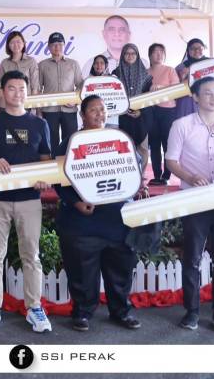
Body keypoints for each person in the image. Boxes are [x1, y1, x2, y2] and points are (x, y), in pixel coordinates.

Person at [55, 95, 143, 332]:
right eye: (93, 110)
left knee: (121, 271)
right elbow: (58, 181)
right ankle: (82, 313)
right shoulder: (70, 142)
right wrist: (75, 202)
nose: (99, 114)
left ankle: (121, 311)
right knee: (82, 273)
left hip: (117, 220)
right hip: (83, 222)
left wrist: (137, 185)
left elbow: (136, 167)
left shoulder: (119, 137)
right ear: (82, 115)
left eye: (102, 110)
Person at [0, 71, 53, 333]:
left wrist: (43, 179)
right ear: (2, 92)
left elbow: (46, 162)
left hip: (29, 199)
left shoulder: (40, 124)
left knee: (31, 256)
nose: (17, 93)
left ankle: (34, 307)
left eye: (22, 89)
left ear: (27, 93)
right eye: (11, 88)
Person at [165, 77, 214, 335]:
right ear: (195, 97)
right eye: (207, 93)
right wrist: (190, 177)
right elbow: (171, 161)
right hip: (195, 199)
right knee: (192, 259)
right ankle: (192, 312)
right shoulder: (181, 125)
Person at [37, 31, 84, 156]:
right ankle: (53, 165)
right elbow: (37, 89)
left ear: (64, 45)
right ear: (49, 47)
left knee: (70, 141)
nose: (57, 46)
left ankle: (68, 164)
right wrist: (39, 111)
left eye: (59, 44)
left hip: (69, 109)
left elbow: (81, 86)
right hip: (49, 110)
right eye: (53, 44)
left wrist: (75, 101)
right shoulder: (42, 65)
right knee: (50, 142)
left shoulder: (73, 64)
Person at [113, 43, 152, 168]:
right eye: (127, 53)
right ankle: (126, 174)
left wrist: (141, 111)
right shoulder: (115, 73)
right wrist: (122, 109)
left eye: (133, 53)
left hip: (141, 116)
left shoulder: (145, 75)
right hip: (122, 116)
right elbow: (112, 95)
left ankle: (141, 175)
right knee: (123, 147)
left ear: (137, 55)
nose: (130, 56)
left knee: (142, 148)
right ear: (123, 55)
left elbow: (148, 97)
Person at [147, 43, 180, 186]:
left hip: (168, 110)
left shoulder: (170, 70)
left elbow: (176, 89)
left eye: (161, 52)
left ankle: (167, 175)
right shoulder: (146, 72)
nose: (158, 54)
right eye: (155, 52)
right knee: (154, 144)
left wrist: (161, 88)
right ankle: (156, 175)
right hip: (151, 111)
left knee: (167, 143)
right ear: (150, 56)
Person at [174, 38, 207, 119]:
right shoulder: (181, 67)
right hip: (186, 102)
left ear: (203, 49)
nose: (196, 51)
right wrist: (182, 77)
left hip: (206, 99)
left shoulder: (211, 63)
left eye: (199, 48)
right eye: (193, 48)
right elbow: (174, 87)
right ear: (188, 51)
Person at [0, 31, 39, 96]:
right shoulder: (4, 63)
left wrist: (33, 101)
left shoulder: (31, 61)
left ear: (23, 43)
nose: (15, 45)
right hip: (9, 100)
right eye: (12, 42)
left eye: (18, 42)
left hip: (27, 100)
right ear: (8, 45)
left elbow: (35, 86)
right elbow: (1, 87)